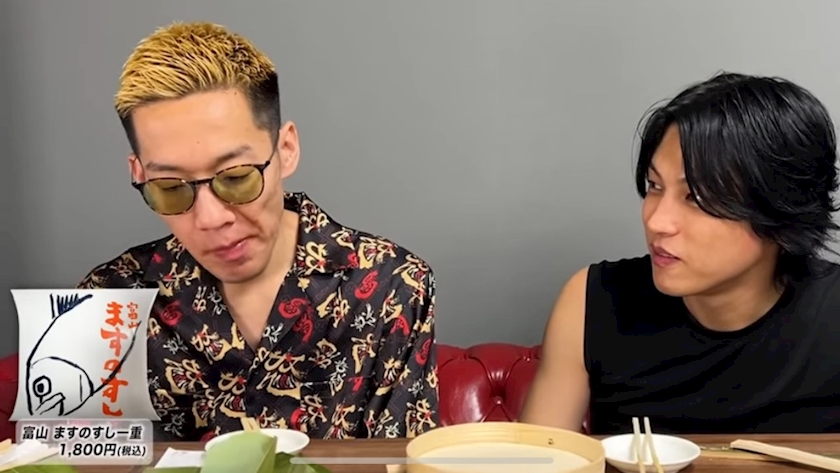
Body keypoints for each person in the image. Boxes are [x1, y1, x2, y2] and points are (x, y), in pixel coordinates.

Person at [78, 22, 438, 441]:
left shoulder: (393, 284)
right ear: (139, 174)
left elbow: (404, 461)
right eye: (170, 188)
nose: (210, 218)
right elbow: (63, 463)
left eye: (236, 178)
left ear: (286, 150)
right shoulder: (103, 300)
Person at [521, 72, 840, 435]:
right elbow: (541, 457)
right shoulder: (592, 301)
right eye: (654, 186)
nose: (656, 221)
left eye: (696, 197)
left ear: (780, 211)